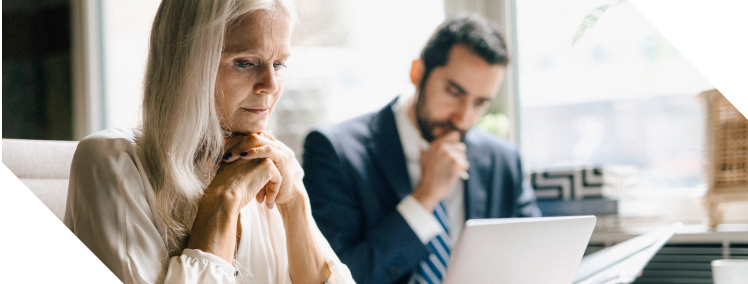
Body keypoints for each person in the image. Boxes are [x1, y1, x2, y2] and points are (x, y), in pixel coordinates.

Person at [63, 0, 354, 283]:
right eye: (244, 62)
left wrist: (295, 205)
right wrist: (224, 200)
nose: (271, 84)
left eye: (278, 64)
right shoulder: (111, 163)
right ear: (186, 63)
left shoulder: (278, 162)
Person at [302, 13, 541, 284]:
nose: (463, 117)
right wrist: (425, 198)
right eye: (454, 92)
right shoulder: (335, 151)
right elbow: (332, 279)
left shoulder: (503, 161)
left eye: (479, 103)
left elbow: (534, 264)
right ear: (417, 72)